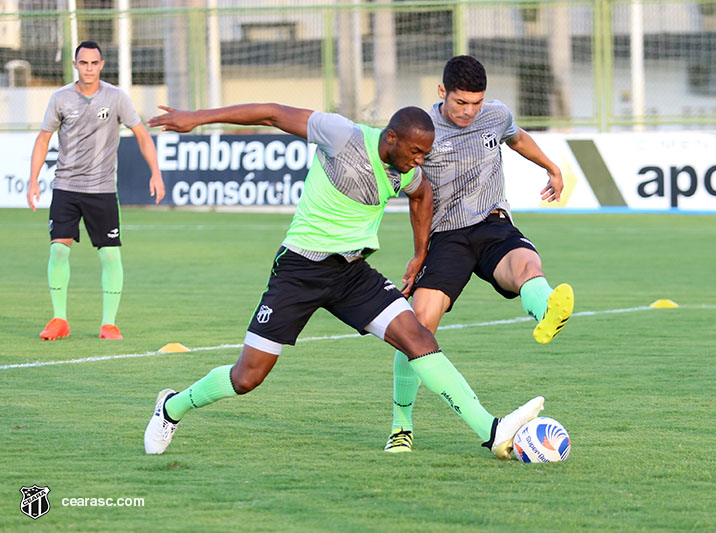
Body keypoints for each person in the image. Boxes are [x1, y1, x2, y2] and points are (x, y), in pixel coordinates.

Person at [143, 102, 545, 460]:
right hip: (299, 271)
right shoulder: (341, 135)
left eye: (425, 153)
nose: (420, 162)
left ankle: (491, 431)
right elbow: (272, 113)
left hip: (352, 274)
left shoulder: (406, 171)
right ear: (391, 138)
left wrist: (420, 253)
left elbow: (423, 197)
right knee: (247, 377)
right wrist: (196, 118)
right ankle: (172, 407)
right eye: (416, 152)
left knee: (419, 338)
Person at [384, 55, 573, 453]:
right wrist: (419, 254)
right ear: (442, 93)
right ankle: (402, 425)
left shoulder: (494, 115)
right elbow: (412, 192)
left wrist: (551, 168)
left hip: (491, 224)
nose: (469, 112)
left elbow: (516, 136)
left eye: (476, 103)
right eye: (460, 103)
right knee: (416, 329)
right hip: (446, 238)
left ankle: (547, 311)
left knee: (526, 265)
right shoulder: (423, 129)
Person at [27, 40, 165, 341]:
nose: (88, 68)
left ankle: (109, 324)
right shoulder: (60, 98)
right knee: (59, 249)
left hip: (101, 190)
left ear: (101, 65)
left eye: (94, 63)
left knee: (110, 257)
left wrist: (156, 173)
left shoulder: (116, 98)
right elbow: (42, 139)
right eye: (83, 63)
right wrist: (33, 180)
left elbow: (142, 134)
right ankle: (59, 319)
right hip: (65, 187)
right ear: (75, 65)